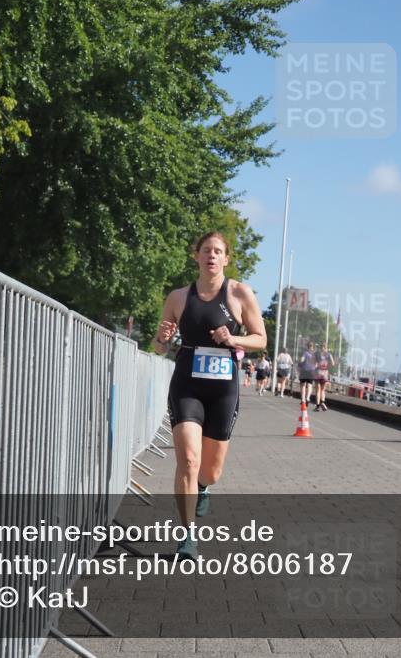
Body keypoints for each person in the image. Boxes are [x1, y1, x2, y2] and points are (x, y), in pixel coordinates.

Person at [153, 232, 266, 560]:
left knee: (210, 471)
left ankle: (203, 487)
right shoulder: (177, 297)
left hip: (222, 389)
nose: (211, 256)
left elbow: (261, 339)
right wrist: (161, 338)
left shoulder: (240, 293)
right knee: (188, 459)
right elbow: (160, 348)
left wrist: (235, 339)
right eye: (206, 250)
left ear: (226, 259)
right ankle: (187, 538)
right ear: (196, 256)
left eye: (218, 252)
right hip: (187, 384)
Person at [314, 342, 335, 411]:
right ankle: (322, 402)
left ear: (320, 347)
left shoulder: (317, 353)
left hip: (318, 372)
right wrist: (327, 366)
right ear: (326, 347)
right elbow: (333, 363)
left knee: (317, 390)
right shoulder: (329, 354)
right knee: (323, 390)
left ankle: (317, 406)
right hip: (325, 373)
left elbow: (313, 362)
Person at [298, 341, 317, 406]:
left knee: (303, 385)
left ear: (307, 346)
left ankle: (303, 399)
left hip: (304, 370)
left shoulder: (305, 353)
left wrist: (301, 360)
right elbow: (317, 363)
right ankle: (308, 398)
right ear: (313, 347)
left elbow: (301, 360)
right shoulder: (315, 354)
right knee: (310, 385)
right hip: (312, 371)